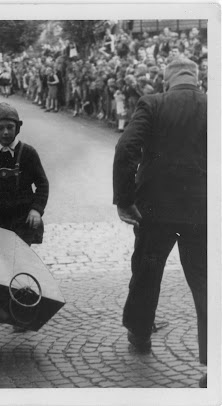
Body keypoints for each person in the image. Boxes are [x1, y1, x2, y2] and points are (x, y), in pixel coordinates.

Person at [112, 57, 207, 388]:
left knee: (146, 272)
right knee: (208, 284)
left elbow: (126, 148)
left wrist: (124, 201)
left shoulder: (153, 103)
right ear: (196, 78)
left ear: (167, 80)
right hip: (202, 210)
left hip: (155, 209)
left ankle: (139, 336)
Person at [0, 102, 49, 246]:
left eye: (10, 127)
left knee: (20, 255)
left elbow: (43, 184)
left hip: (24, 214)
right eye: (0, 128)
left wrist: (36, 210)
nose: (5, 132)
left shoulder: (28, 153)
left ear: (17, 128)